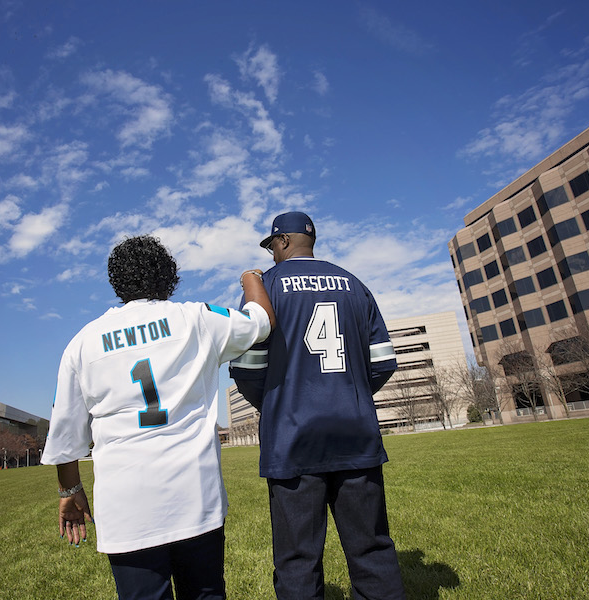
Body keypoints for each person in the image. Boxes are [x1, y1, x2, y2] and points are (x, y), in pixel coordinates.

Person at [41, 234, 275, 600]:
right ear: (169, 276)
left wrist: (69, 491)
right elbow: (261, 320)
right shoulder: (196, 318)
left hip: (125, 504)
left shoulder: (83, 342)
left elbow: (65, 434)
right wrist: (251, 277)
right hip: (195, 496)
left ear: (116, 282)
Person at [230, 212, 406, 600]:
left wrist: (274, 403)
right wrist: (347, 395)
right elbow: (383, 362)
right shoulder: (355, 284)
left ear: (283, 242)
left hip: (292, 439)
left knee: (297, 559)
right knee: (372, 549)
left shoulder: (266, 287)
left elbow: (246, 369)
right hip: (355, 435)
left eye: (273, 245)